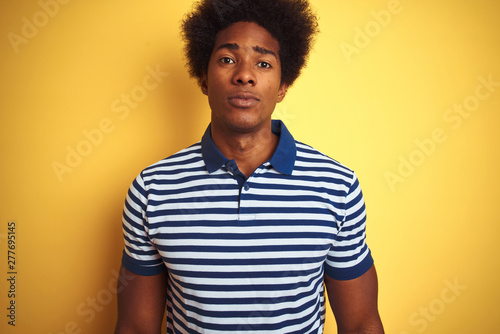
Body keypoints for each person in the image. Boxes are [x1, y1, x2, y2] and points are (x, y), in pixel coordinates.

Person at [115, 0, 384, 333]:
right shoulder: (152, 189)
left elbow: (360, 323)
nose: (244, 75)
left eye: (263, 63)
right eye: (227, 59)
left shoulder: (336, 187)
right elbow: (135, 327)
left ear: (284, 85)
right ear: (203, 78)